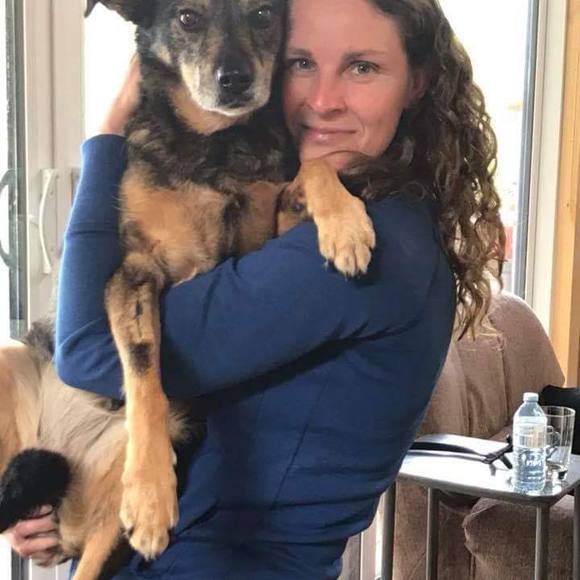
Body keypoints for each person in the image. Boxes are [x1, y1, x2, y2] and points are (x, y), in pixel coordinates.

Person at [4, 0, 505, 578]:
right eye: (301, 63)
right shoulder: (353, 214)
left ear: (417, 82)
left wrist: (108, 133)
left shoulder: (366, 255)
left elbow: (86, 350)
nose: (323, 99)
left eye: (362, 67)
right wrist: (62, 494)